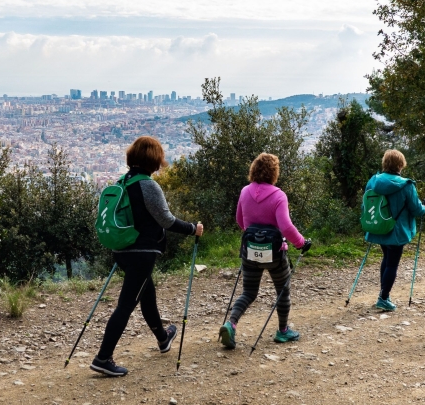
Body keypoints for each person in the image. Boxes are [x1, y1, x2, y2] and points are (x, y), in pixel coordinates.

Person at [91, 136, 203, 377]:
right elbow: (166, 220)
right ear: (153, 160)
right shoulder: (147, 185)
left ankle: (163, 339)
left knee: (147, 295)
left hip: (122, 250)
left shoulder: (123, 182)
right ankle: (103, 358)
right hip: (141, 252)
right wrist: (193, 228)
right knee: (125, 305)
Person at [218, 153, 311, 349]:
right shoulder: (278, 196)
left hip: (250, 250)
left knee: (249, 292)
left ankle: (231, 324)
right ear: (274, 173)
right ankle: (283, 331)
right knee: (282, 291)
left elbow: (239, 220)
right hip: (274, 254)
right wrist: (301, 243)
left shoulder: (244, 192)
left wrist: (254, 235)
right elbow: (285, 227)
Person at [364, 149, 425, 312]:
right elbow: (416, 209)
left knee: (386, 259)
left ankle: (383, 294)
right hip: (397, 230)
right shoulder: (406, 185)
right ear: (400, 165)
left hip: (379, 227)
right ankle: (383, 298)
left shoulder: (373, 181)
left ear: (385, 163)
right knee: (392, 263)